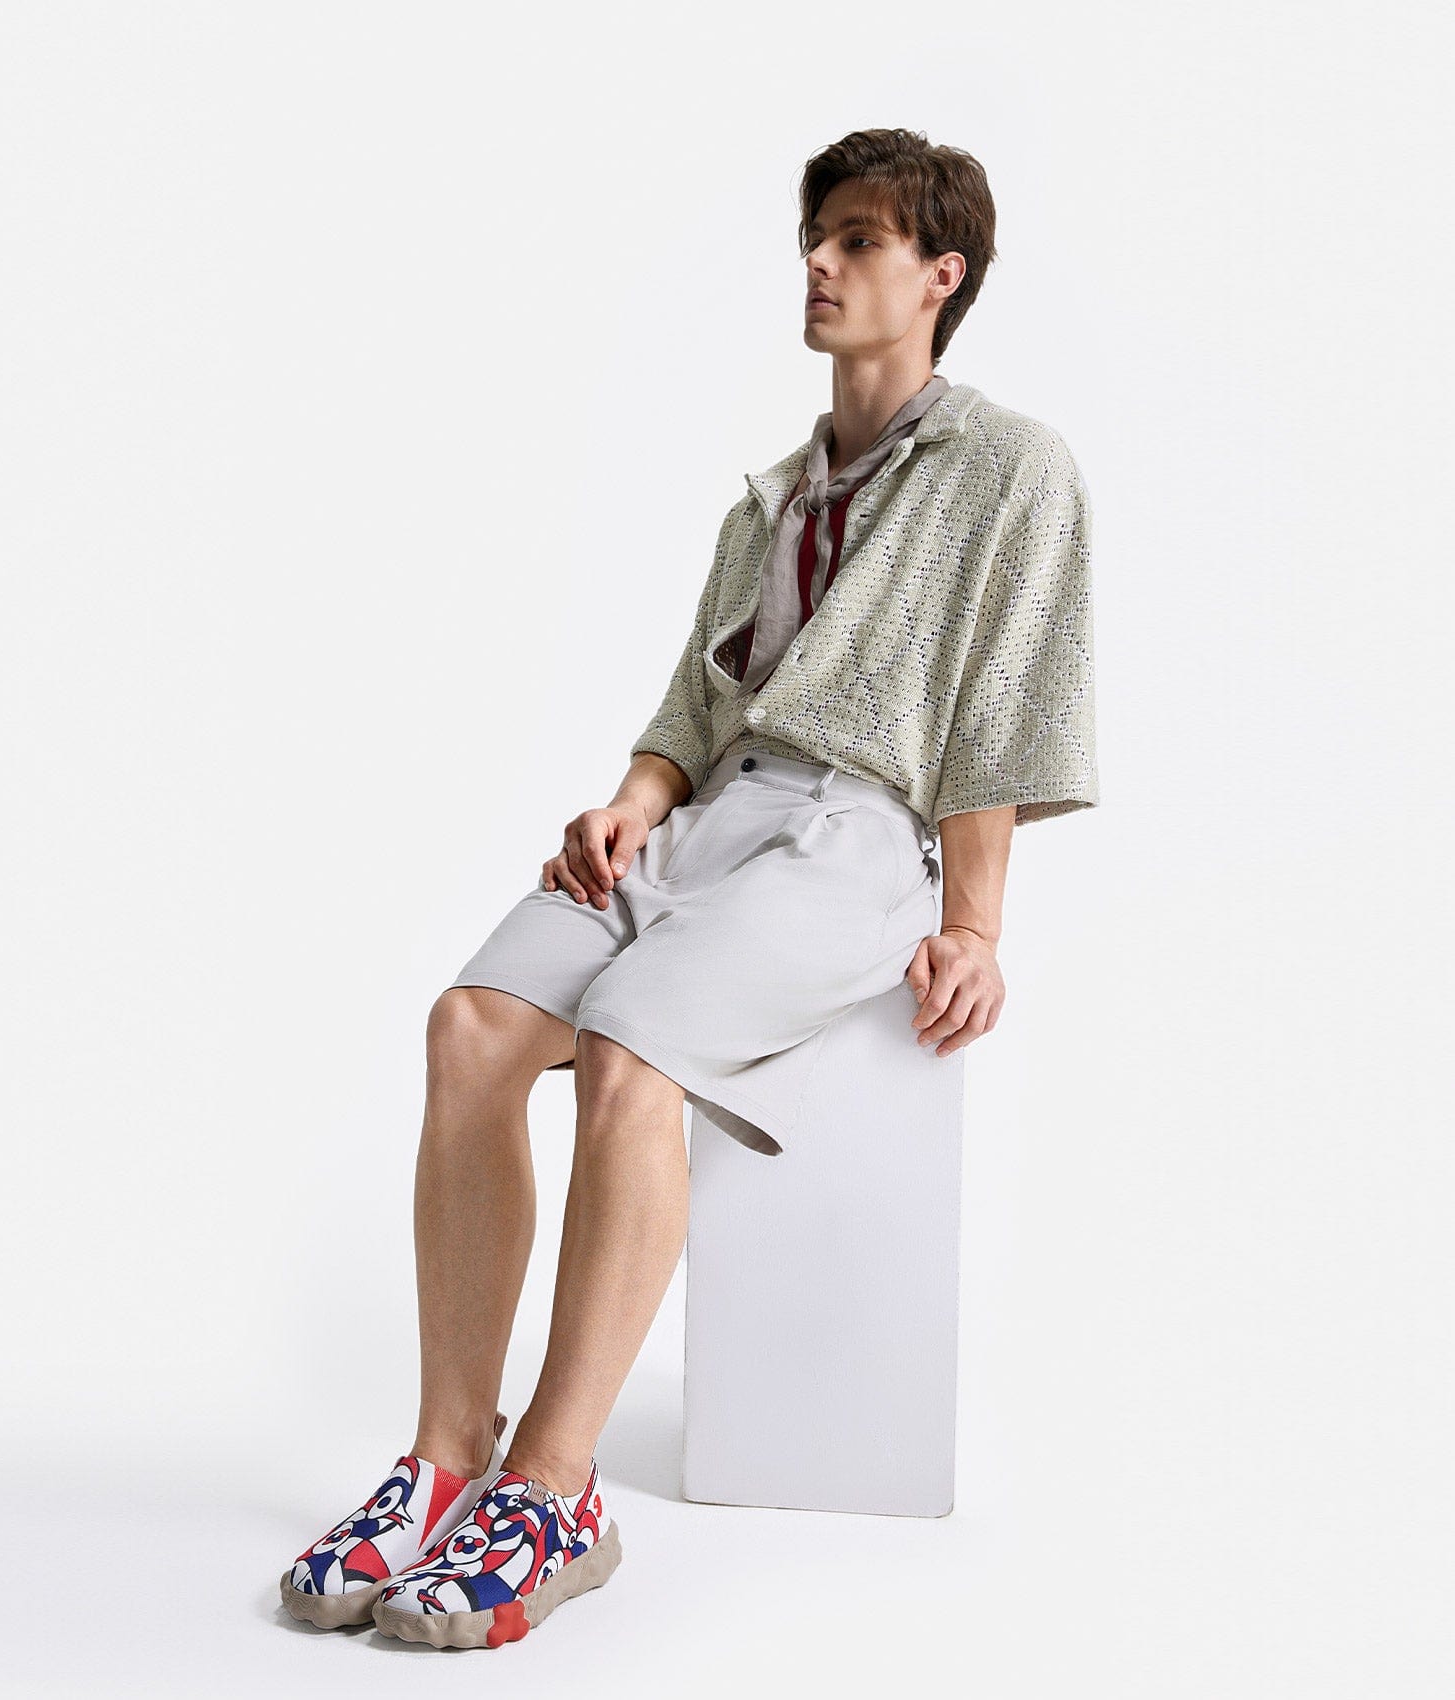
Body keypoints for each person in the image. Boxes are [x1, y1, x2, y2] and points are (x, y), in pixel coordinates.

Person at [279, 126, 1099, 1650]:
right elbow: (691, 706)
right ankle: (445, 1458)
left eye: (858, 241)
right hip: (712, 820)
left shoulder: (1010, 469)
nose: (820, 265)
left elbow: (1004, 699)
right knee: (470, 1027)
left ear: (942, 275)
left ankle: (557, 1488)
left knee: (630, 1046)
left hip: (857, 835)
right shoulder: (771, 498)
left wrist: (976, 923)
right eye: (815, 237)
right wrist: (631, 803)